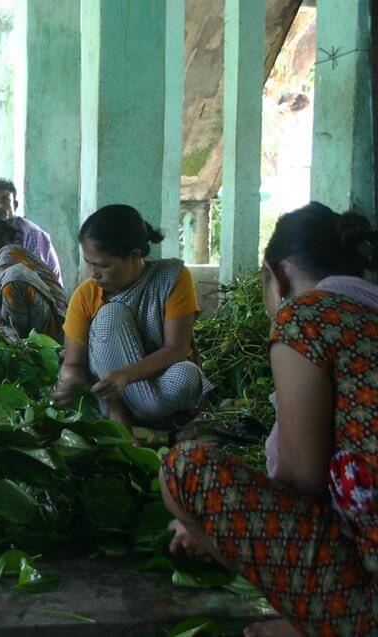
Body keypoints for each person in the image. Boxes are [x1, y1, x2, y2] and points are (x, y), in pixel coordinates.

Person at [162, 202, 378, 637]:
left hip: (366, 613)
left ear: (276, 278)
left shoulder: (306, 317)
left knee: (185, 469)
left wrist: (212, 533)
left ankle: (322, 617)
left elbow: (304, 482)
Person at [51, 204, 212, 431]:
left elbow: (176, 349)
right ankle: (122, 416)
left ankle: (130, 418)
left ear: (134, 256)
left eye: (102, 265)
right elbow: (73, 362)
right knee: (110, 314)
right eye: (89, 264)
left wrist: (126, 376)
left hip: (151, 382)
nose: (93, 273)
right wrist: (71, 379)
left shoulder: (171, 278)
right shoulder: (86, 295)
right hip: (107, 390)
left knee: (187, 375)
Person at [0, 205, 66, 341]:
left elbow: (2, 310)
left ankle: (15, 340)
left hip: (53, 324)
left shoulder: (9, 256)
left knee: (13, 278)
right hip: (24, 316)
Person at [0, 178, 63, 287]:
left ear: (15, 205)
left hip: (45, 295)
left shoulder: (32, 234)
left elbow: (35, 278)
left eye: (5, 200)